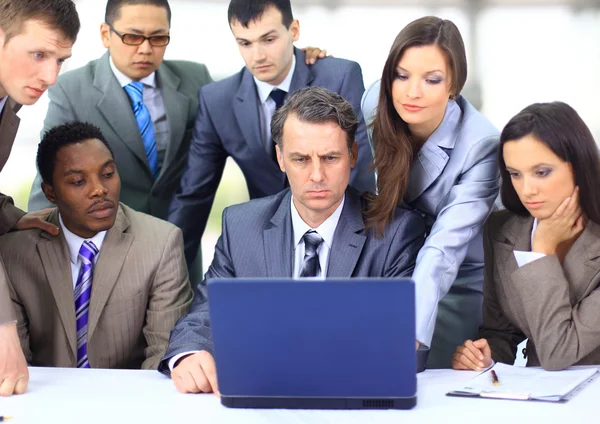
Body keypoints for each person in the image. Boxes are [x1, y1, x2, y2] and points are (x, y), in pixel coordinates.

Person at [27, 0, 326, 282]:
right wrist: (39, 251)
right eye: (133, 37)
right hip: (103, 252)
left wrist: (298, 59)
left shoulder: (196, 80)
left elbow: (244, 98)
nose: (145, 49)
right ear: (106, 34)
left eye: (158, 38)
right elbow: (51, 176)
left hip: (179, 253)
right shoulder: (71, 89)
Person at [158, 86, 426, 394]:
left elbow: (398, 342)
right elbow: (204, 315)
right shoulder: (241, 226)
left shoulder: (395, 232)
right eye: (300, 159)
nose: (316, 175)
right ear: (280, 158)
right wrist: (189, 354)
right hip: (261, 399)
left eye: (330, 157)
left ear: (352, 155)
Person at [168, 0, 375, 266]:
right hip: (267, 246)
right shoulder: (217, 100)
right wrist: (164, 272)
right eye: (245, 43)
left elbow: (360, 172)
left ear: (294, 30)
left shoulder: (339, 75)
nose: (258, 56)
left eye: (268, 39)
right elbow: (194, 197)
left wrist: (358, 250)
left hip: (342, 234)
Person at [361, 16, 500, 368]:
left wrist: (408, 333)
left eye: (432, 79)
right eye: (402, 75)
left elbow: (443, 251)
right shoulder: (374, 105)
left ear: (454, 85)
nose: (412, 92)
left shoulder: (481, 146)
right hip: (396, 270)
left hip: (458, 281)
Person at [0, 121, 193, 370]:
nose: (100, 190)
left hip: (130, 401)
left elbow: (163, 356)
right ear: (50, 193)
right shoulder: (14, 252)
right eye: (79, 181)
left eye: (108, 174)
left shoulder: (161, 243)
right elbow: (15, 362)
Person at [452, 102, 600, 371]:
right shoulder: (501, 230)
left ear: (579, 165)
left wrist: (541, 251)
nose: (527, 189)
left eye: (541, 172)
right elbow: (502, 333)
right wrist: (485, 356)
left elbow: (557, 352)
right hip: (537, 399)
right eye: (515, 174)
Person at [0, 0, 80, 397]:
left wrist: (8, 216)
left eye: (60, 60)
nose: (50, 76)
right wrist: (3, 329)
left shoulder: (8, 98)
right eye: (38, 54)